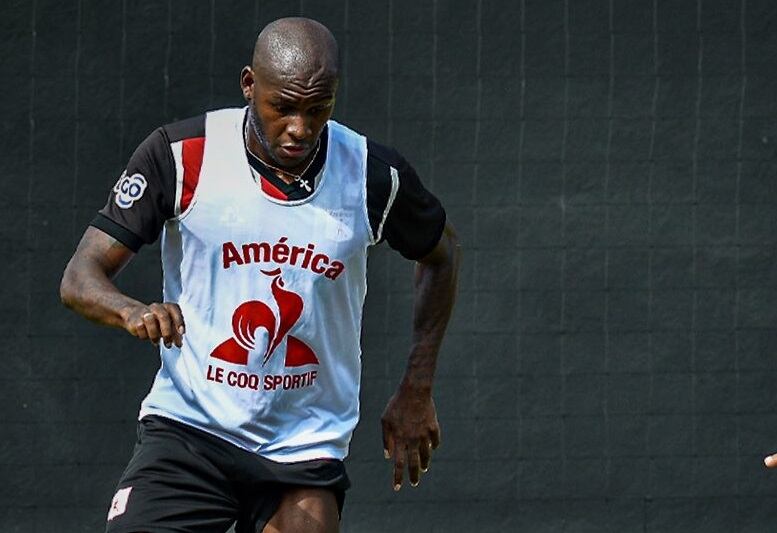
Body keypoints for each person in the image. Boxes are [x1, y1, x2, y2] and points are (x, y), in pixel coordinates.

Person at [60, 16, 459, 533]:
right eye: (283, 107)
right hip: (191, 428)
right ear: (250, 85)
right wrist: (130, 310)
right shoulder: (182, 156)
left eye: (318, 109)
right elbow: (80, 276)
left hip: (302, 444)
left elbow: (442, 255)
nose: (300, 128)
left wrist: (417, 387)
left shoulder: (369, 174)